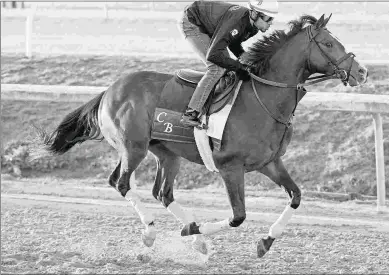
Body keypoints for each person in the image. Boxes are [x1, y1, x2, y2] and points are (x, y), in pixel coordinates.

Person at [178, 0, 279, 127]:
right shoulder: (237, 22)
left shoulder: (253, 28)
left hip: (209, 24)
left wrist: (247, 63)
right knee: (217, 69)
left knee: (228, 66)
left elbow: (233, 43)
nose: (270, 24)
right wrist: (240, 67)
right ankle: (190, 113)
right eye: (268, 19)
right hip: (193, 22)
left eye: (272, 19)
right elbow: (213, 55)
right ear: (254, 14)